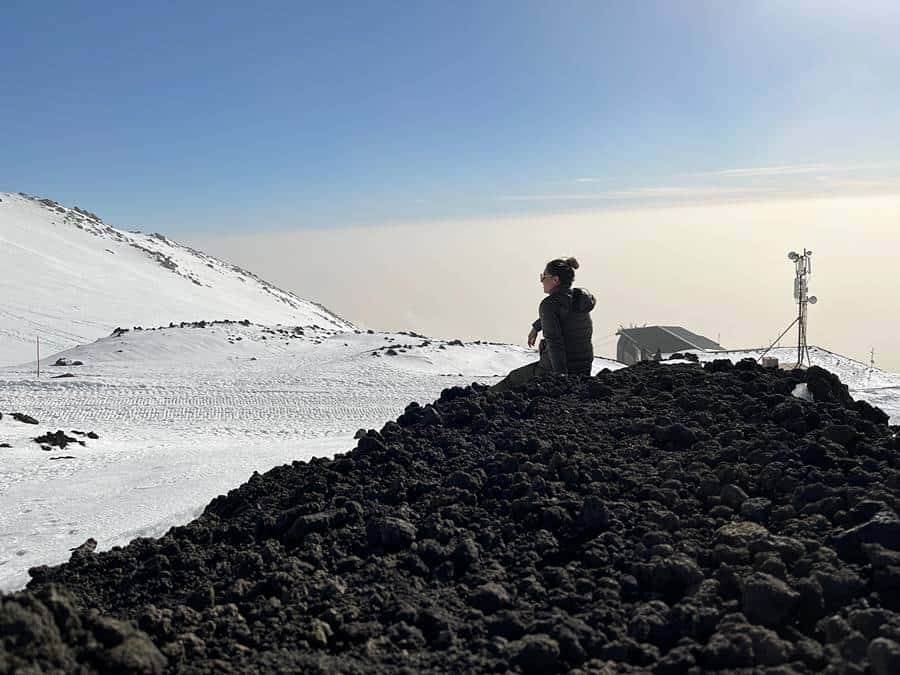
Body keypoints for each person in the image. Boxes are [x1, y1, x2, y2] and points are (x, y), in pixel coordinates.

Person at [492, 257, 595, 391]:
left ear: (555, 280)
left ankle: (482, 400)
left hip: (555, 370)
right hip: (583, 368)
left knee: (512, 381)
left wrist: (561, 378)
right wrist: (536, 327)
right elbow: (563, 316)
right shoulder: (578, 300)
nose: (541, 281)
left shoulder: (549, 304)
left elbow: (555, 342)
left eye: (543, 276)